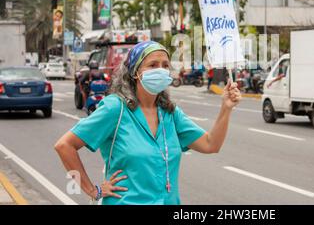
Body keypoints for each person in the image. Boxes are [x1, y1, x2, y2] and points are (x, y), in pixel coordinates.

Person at [54, 41, 241, 205]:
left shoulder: (170, 113)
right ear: (135, 72)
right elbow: (64, 146)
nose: (160, 69)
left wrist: (226, 108)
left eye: (165, 65)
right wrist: (93, 191)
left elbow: (211, 144)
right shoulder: (115, 109)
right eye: (153, 65)